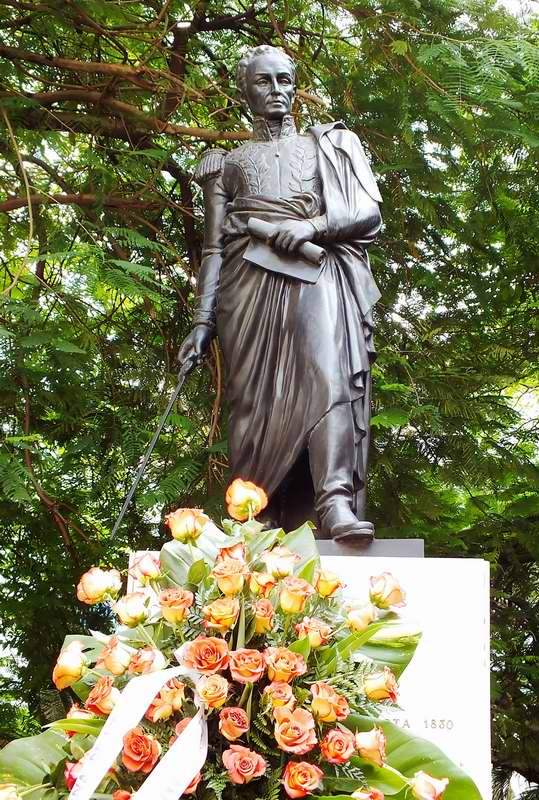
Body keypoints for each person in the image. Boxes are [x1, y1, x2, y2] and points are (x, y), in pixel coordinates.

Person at [177, 45, 382, 542]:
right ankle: (252, 515)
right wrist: (203, 322)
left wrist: (313, 226)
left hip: (316, 274)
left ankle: (334, 503)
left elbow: (368, 213)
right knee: (250, 401)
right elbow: (214, 249)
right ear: (243, 90)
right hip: (246, 289)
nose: (278, 92)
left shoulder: (329, 144)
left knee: (329, 376)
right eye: (264, 82)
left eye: (286, 81)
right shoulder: (225, 164)